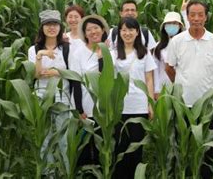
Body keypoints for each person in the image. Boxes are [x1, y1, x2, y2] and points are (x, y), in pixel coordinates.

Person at [165, 0, 213, 178]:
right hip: (183, 103)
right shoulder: (177, 41)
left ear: (206, 17)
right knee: (183, 143)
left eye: (201, 15)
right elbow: (169, 68)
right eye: (193, 15)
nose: (196, 18)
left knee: (206, 146)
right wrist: (182, 85)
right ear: (188, 16)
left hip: (207, 104)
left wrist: (208, 86)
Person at [111, 17, 156, 178]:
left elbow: (149, 79)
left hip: (139, 106)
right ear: (119, 32)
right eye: (123, 30)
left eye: (131, 30)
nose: (127, 33)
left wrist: (151, 104)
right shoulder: (113, 54)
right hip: (120, 106)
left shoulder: (144, 54)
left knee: (136, 147)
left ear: (137, 32)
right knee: (120, 147)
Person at [27, 9, 71, 170]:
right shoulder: (33, 50)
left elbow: (72, 71)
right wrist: (41, 56)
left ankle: (66, 171)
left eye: (55, 24)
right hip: (41, 97)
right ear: (42, 28)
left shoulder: (66, 48)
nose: (51, 28)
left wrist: (53, 72)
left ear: (60, 27)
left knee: (63, 139)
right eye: (47, 24)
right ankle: (48, 172)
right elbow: (37, 75)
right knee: (45, 138)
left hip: (62, 97)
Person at [69, 14, 110, 165]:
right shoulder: (78, 53)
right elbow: (75, 81)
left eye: (96, 28)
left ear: (102, 30)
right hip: (86, 108)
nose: (93, 32)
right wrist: (79, 110)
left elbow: (106, 77)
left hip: (104, 109)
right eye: (89, 30)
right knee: (84, 148)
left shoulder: (109, 52)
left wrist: (101, 58)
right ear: (85, 34)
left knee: (102, 148)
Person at [152, 11, 184, 99]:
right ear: (164, 27)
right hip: (163, 88)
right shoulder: (158, 47)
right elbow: (155, 70)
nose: (171, 26)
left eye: (174, 23)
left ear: (180, 26)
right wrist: (156, 90)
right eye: (168, 23)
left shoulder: (184, 44)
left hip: (181, 88)